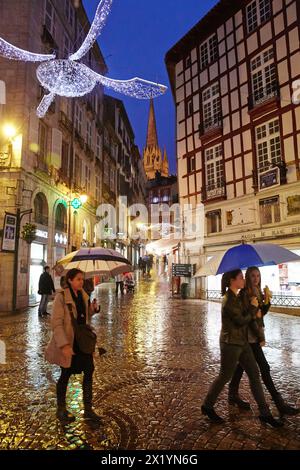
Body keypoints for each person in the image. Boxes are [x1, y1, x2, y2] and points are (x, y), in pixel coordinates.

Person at [201, 269, 283, 427]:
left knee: (254, 374)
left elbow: (250, 315)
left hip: (243, 342)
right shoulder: (228, 300)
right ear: (232, 280)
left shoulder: (238, 296)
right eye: (240, 278)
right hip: (230, 344)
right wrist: (253, 308)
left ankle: (265, 413)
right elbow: (240, 320)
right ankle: (207, 405)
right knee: (224, 376)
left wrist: (262, 303)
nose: (243, 280)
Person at [228, 266, 299, 416]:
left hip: (252, 336)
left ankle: (232, 394)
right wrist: (259, 335)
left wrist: (266, 302)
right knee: (264, 368)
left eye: (258, 276)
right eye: (252, 276)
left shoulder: (257, 292)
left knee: (240, 367)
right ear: (247, 277)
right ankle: (279, 404)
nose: (256, 279)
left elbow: (260, 314)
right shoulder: (244, 295)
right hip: (249, 338)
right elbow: (249, 318)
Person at [45, 268, 101, 425]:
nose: (81, 282)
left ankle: (88, 409)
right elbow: (56, 324)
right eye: (78, 279)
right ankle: (61, 409)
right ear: (69, 280)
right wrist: (64, 345)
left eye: (82, 279)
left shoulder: (83, 295)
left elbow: (83, 318)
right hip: (69, 343)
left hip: (83, 344)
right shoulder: (61, 298)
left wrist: (93, 309)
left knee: (89, 372)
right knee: (65, 376)